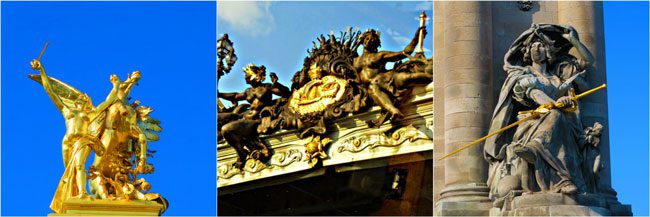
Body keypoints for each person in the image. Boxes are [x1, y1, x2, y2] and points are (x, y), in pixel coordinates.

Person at [483, 24, 594, 203]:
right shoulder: (522, 74)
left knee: (558, 118)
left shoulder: (558, 74)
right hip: (531, 121)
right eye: (533, 46)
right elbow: (532, 92)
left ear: (548, 50)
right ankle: (556, 171)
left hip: (564, 123)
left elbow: (588, 62)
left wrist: (574, 41)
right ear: (527, 52)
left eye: (541, 45)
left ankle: (537, 151)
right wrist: (553, 104)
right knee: (555, 116)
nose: (537, 48)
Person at [31, 59, 119, 213]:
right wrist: (42, 70)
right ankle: (74, 193)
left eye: (84, 99)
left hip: (83, 141)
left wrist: (116, 85)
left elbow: (108, 102)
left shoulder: (90, 114)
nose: (82, 99)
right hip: (67, 143)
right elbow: (50, 90)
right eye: (80, 99)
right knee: (69, 173)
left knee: (79, 166)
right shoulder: (67, 111)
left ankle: (82, 193)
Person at [353, 27, 432, 120]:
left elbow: (405, 53)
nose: (369, 41)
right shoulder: (355, 61)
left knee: (409, 77)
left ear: (376, 44)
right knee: (373, 88)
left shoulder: (380, 55)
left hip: (387, 79)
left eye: (373, 40)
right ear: (362, 40)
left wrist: (416, 37)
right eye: (367, 38)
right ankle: (394, 110)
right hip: (372, 87)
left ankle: (433, 77)